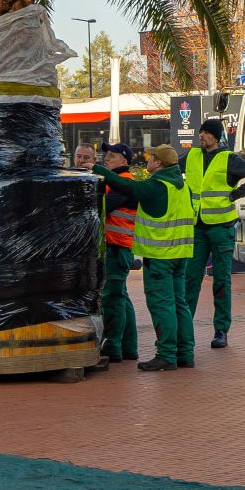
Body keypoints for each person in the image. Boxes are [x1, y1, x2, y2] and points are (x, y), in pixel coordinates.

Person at [181, 119, 245, 351]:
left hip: (221, 228)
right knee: (191, 278)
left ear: (217, 137)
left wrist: (237, 194)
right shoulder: (192, 156)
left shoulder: (229, 158)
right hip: (198, 226)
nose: (202, 136)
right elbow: (172, 172)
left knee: (221, 280)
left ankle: (221, 330)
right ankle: (183, 327)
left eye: (207, 133)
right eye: (201, 132)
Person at [122, 144, 195, 372]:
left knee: (162, 305)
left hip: (160, 257)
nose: (147, 160)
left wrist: (100, 171)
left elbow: (129, 188)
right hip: (180, 255)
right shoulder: (183, 187)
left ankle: (166, 355)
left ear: (158, 163)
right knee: (179, 304)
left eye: (150, 157)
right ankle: (186, 354)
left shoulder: (156, 186)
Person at [91, 143, 140, 364]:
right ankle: (129, 347)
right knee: (122, 297)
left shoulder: (123, 183)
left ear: (125, 161)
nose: (107, 158)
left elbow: (101, 207)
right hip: (119, 246)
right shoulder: (117, 182)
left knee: (113, 298)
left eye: (112, 155)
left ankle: (113, 346)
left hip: (117, 246)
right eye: (106, 155)